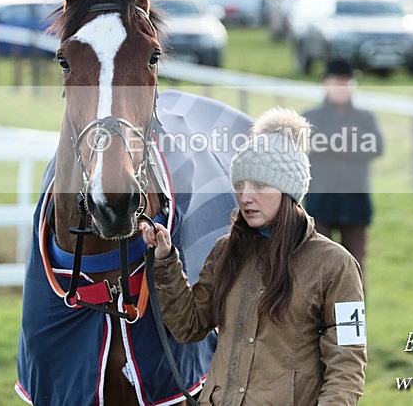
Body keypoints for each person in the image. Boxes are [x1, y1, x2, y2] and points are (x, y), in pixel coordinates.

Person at [140, 107, 366, 405]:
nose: (245, 196)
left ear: (288, 190)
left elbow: (349, 362)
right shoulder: (226, 251)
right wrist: (165, 259)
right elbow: (188, 326)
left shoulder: (337, 265)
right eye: (240, 185)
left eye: (259, 185)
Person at [302, 59, 383, 291]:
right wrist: (350, 141)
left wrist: (329, 142)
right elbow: (306, 143)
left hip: (355, 201)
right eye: (338, 82)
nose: (342, 87)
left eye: (346, 82)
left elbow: (376, 146)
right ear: (325, 84)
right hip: (320, 201)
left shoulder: (364, 117)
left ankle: (356, 322)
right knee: (320, 266)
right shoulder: (311, 117)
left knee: (356, 267)